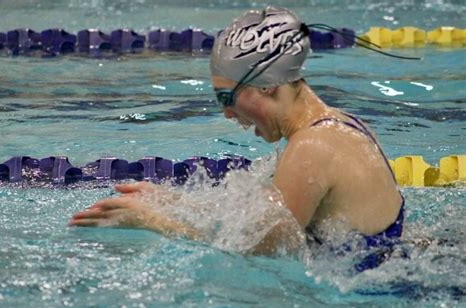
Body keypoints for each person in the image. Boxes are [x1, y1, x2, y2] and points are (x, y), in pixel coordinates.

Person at [70, 6, 404, 269]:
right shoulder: (343, 125)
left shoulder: (312, 148)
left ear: (266, 84)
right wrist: (173, 201)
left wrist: (155, 222)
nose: (228, 114)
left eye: (227, 99)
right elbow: (260, 218)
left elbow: (264, 250)